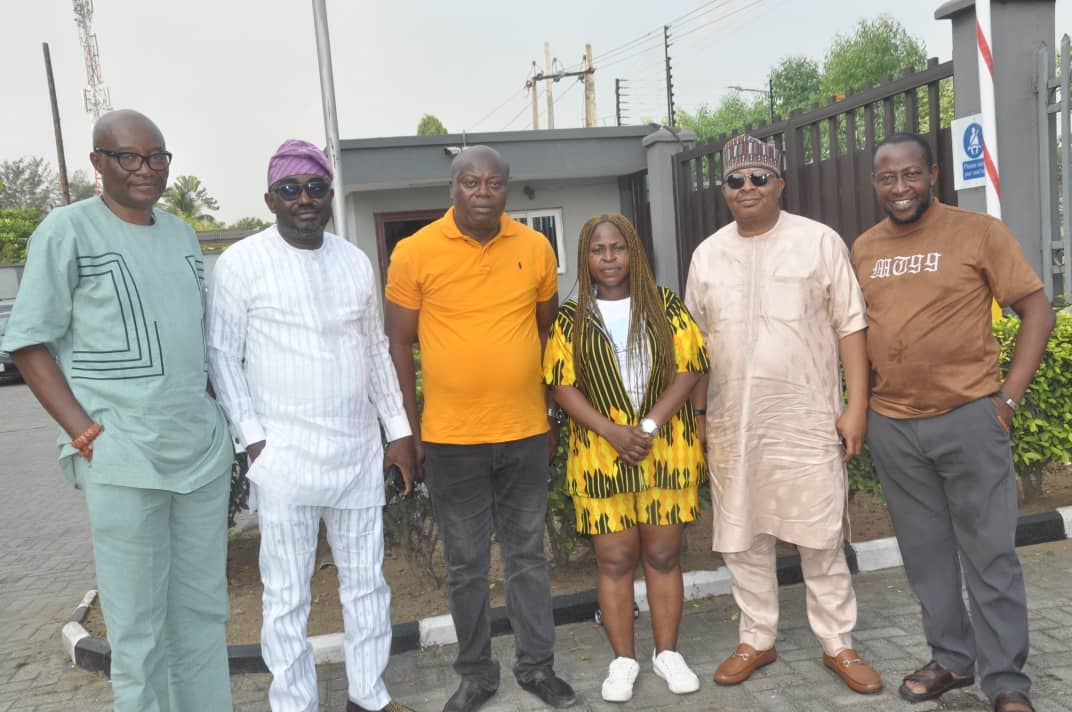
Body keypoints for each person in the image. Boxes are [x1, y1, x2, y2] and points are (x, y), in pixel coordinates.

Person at [1, 109, 235, 710]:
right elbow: (28, 340)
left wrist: (216, 419)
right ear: (98, 163)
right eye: (129, 157)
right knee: (137, 630)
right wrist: (81, 430)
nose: (146, 169)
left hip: (200, 456)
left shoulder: (182, 234)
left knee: (204, 615)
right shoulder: (66, 230)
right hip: (123, 456)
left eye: (157, 157)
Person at [207, 139, 416, 712]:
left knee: (367, 584)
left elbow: (374, 350)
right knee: (285, 595)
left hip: (355, 456)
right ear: (270, 199)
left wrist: (397, 431)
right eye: (291, 190)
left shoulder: (353, 261)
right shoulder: (240, 263)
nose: (304, 199)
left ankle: (368, 697)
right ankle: (293, 705)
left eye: (315, 188)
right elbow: (223, 356)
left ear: (328, 196)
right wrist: (255, 442)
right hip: (284, 461)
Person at [852, 132, 1055, 712]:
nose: (900, 188)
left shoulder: (978, 232)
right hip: (894, 426)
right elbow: (857, 331)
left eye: (911, 174)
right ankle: (951, 660)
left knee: (989, 553)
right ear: (875, 183)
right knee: (925, 555)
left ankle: (1007, 682)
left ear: (933, 174)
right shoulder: (863, 248)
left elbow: (1036, 310)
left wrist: (1008, 400)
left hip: (970, 417)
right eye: (888, 178)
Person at [684, 134, 883, 695]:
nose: (747, 188)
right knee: (742, 537)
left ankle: (837, 644)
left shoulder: (819, 242)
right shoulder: (708, 255)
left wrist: (856, 407)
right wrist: (699, 420)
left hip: (807, 419)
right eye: (735, 180)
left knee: (820, 535)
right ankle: (757, 637)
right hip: (732, 423)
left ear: (780, 182)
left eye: (758, 177)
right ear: (724, 189)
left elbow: (851, 325)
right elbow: (694, 348)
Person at [385, 145, 575, 712]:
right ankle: (476, 674)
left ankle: (537, 668)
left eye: (494, 183)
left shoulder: (535, 247)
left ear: (507, 189)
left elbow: (546, 335)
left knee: (527, 558)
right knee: (466, 565)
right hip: (450, 439)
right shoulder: (415, 252)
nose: (483, 192)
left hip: (523, 433)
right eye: (471, 182)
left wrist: (548, 415)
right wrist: (409, 430)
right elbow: (398, 342)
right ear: (452, 188)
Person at [543, 213, 708, 702]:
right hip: (601, 454)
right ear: (585, 258)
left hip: (665, 448)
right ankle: (623, 660)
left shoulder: (665, 305)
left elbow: (691, 366)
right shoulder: (572, 318)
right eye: (599, 250)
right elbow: (560, 383)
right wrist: (613, 431)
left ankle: (667, 653)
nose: (609, 258)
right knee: (614, 559)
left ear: (634, 252)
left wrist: (649, 425)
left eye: (618, 248)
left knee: (662, 554)